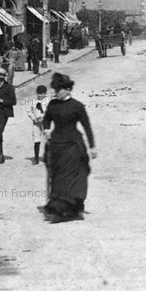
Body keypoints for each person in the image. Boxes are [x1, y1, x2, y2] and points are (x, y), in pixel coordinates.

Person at [43, 73, 97, 223]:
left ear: (68, 89)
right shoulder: (52, 105)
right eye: (55, 90)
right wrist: (46, 129)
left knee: (75, 177)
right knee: (59, 177)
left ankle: (72, 208)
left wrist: (92, 146)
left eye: (59, 89)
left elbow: (87, 126)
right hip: (57, 146)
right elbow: (46, 119)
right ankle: (60, 209)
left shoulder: (77, 106)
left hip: (74, 146)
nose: (57, 92)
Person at [27, 85, 49, 165]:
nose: (39, 96)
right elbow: (29, 111)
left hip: (45, 122)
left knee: (47, 139)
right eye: (38, 94)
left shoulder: (48, 101)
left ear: (45, 94)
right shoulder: (34, 101)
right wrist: (33, 118)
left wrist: (43, 117)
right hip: (36, 123)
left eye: (41, 94)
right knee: (36, 140)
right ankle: (36, 158)